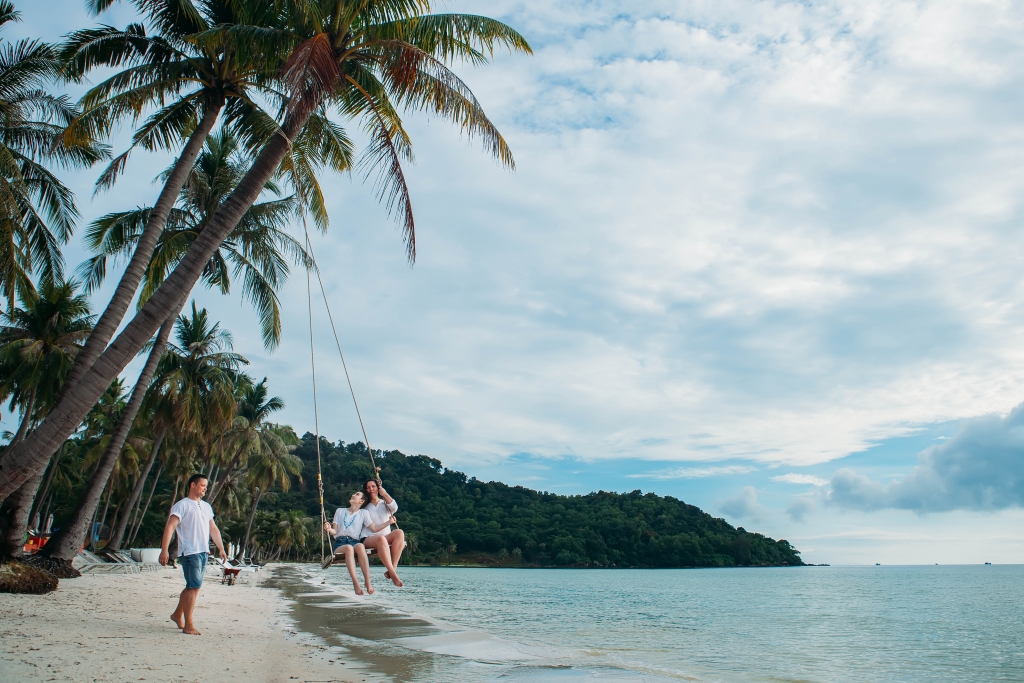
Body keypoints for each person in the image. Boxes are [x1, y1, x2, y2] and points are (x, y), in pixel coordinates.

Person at [159, 473, 227, 635]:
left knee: (194, 587)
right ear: (193, 485)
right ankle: (188, 624)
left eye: (206, 486)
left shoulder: (206, 507)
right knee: (193, 586)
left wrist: (221, 548)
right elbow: (170, 527)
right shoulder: (182, 505)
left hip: (203, 551)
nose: (205, 488)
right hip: (189, 551)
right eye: (203, 485)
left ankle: (177, 615)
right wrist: (164, 550)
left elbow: (213, 529)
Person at [322, 491, 395, 595]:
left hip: (354, 541)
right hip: (340, 543)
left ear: (362, 501)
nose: (353, 495)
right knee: (348, 548)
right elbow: (335, 531)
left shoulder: (363, 513)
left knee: (360, 546)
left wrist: (389, 522)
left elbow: (374, 528)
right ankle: (356, 583)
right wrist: (329, 529)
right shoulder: (340, 511)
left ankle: (367, 582)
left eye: (356, 494)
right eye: (354, 494)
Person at [361, 479, 405, 587]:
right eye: (368, 487)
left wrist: (384, 494)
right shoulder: (364, 506)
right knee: (380, 538)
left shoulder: (384, 503)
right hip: (368, 538)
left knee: (399, 532)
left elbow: (395, 507)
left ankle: (392, 569)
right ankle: (393, 575)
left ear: (378, 488)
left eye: (373, 486)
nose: (371, 489)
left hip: (384, 537)